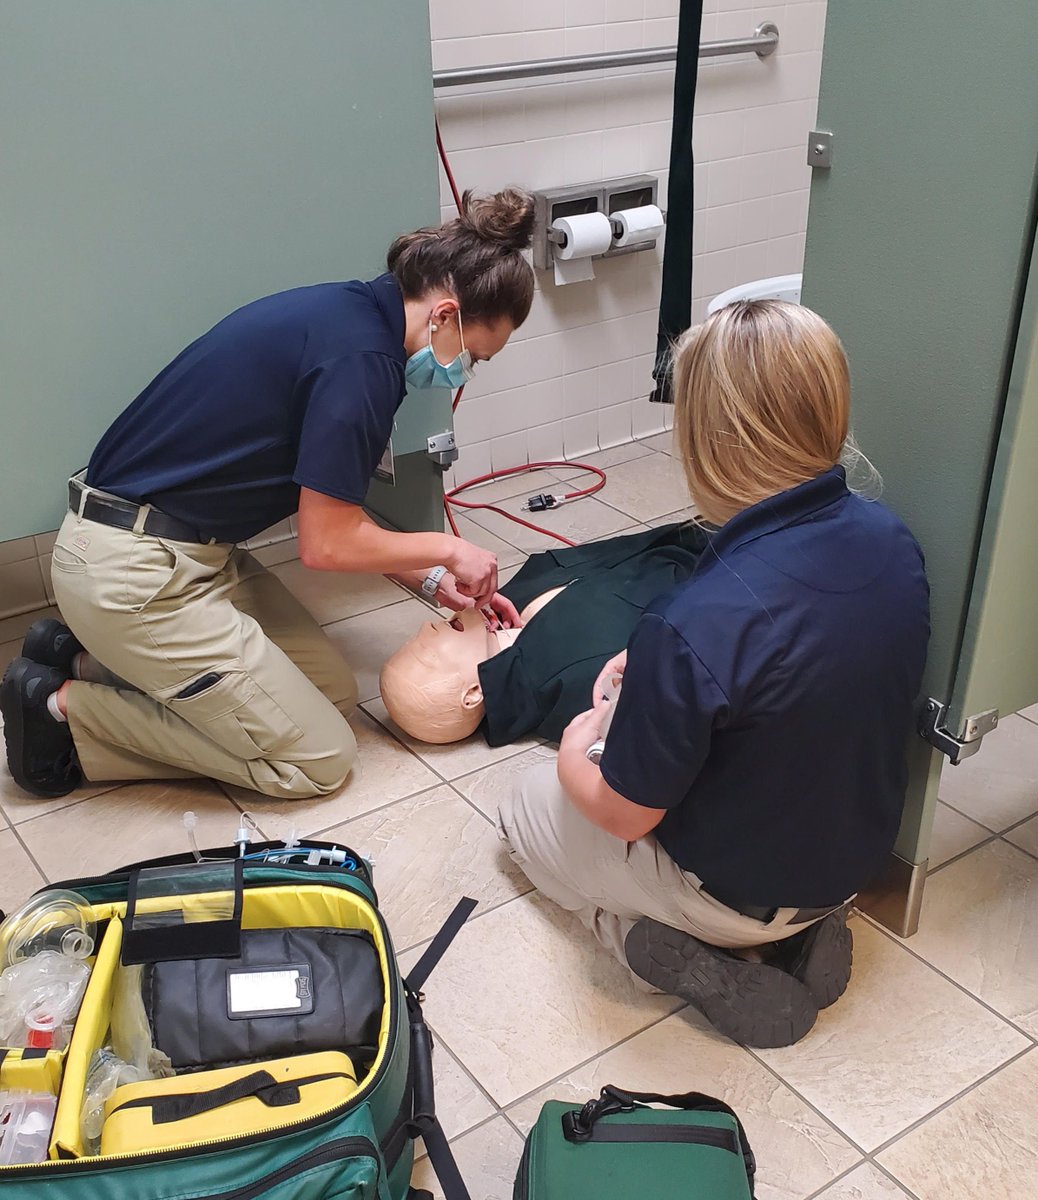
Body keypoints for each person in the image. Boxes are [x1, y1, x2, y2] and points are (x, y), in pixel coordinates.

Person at [0, 188, 535, 802]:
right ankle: (60, 705)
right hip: (132, 573)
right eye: (472, 355)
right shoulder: (361, 366)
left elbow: (337, 514)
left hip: (184, 551)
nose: (463, 370)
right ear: (444, 315)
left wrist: (434, 581)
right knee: (318, 759)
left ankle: (78, 657)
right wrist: (448, 549)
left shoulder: (351, 313)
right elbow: (325, 543)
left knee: (332, 695)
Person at [499, 301, 930, 1049]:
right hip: (854, 862)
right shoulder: (895, 542)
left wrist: (573, 750)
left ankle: (659, 945)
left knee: (522, 810)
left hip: (733, 892)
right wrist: (663, 668)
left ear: (710, 441)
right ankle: (809, 929)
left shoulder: (694, 621)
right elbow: (800, 662)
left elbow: (626, 815)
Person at [379, 521, 709, 746]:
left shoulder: (507, 610)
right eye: (428, 655)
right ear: (473, 694)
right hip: (717, 560)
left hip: (696, 534)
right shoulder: (575, 685)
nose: (425, 628)